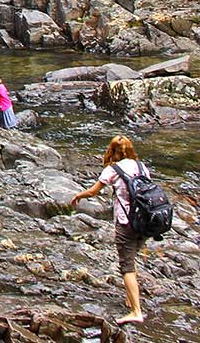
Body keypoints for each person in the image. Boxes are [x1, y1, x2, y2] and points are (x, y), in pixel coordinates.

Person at [69, 136, 151, 325]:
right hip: (144, 221)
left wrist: (77, 196)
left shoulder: (112, 170)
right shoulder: (141, 167)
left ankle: (136, 311)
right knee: (132, 258)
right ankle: (131, 298)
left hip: (126, 223)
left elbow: (92, 192)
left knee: (126, 265)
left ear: (112, 151)